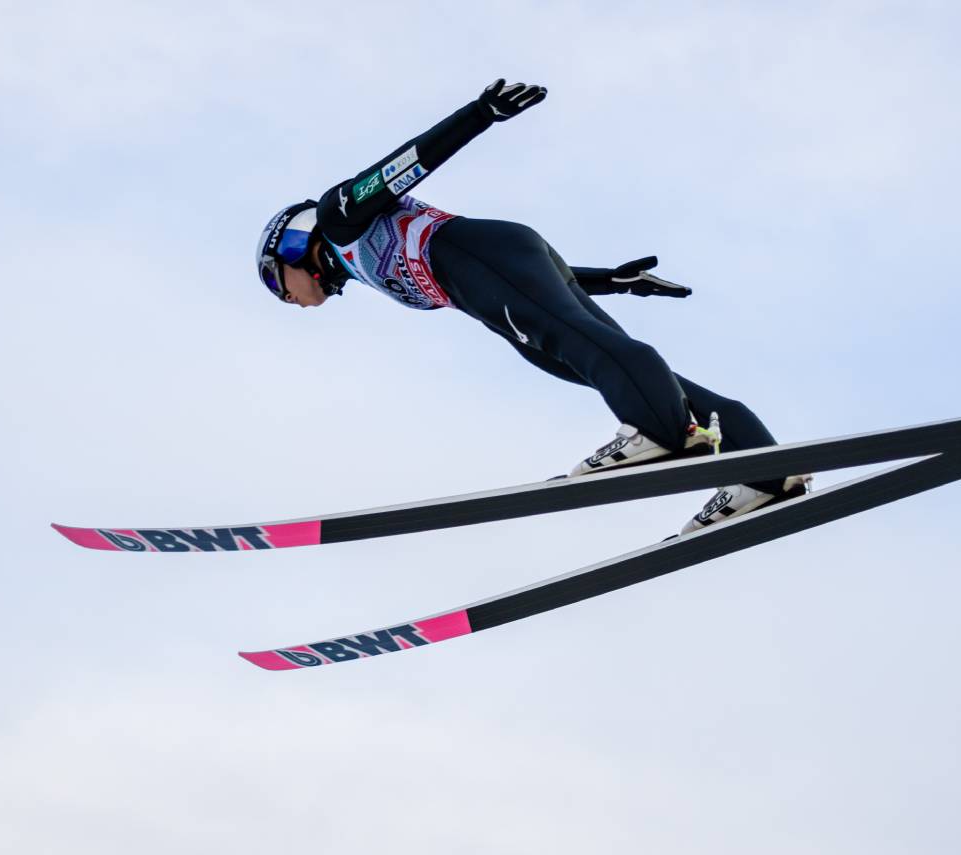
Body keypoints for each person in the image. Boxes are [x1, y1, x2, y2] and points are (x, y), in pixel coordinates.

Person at [256, 79, 809, 535]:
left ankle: (660, 431)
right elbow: (535, 283)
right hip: (493, 270)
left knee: (577, 343)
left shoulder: (337, 218)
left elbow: (401, 166)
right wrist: (612, 281)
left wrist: (479, 114)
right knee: (589, 356)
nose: (291, 301)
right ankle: (768, 474)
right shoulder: (354, 262)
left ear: (290, 246)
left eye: (279, 286)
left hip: (477, 257)